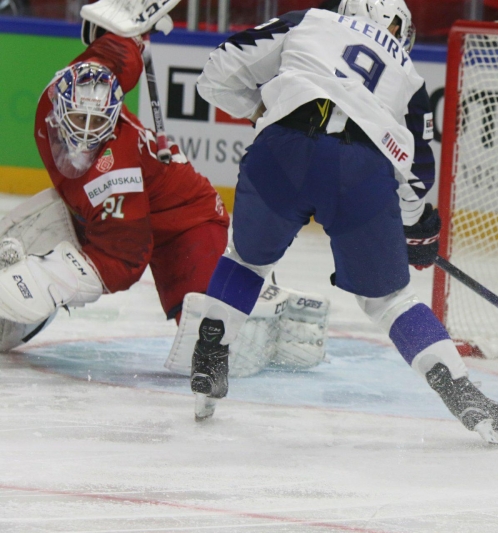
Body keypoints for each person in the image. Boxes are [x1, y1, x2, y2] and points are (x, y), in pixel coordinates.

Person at [189, 0, 498, 444]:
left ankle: (211, 349)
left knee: (247, 263)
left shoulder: (310, 19)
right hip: (360, 171)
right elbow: (417, 176)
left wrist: (263, 113)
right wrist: (415, 226)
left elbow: (218, 70)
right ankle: (464, 394)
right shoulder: (408, 73)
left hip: (280, 151)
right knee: (389, 300)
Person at [0, 0, 329, 375]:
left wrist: (46, 280)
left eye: (98, 127)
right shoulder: (74, 83)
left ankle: (269, 304)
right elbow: (114, 54)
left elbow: (124, 260)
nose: (84, 137)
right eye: (76, 120)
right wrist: (133, 31)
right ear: (57, 107)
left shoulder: (114, 172)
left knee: (218, 343)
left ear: (114, 120)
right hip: (121, 208)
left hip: (186, 222)